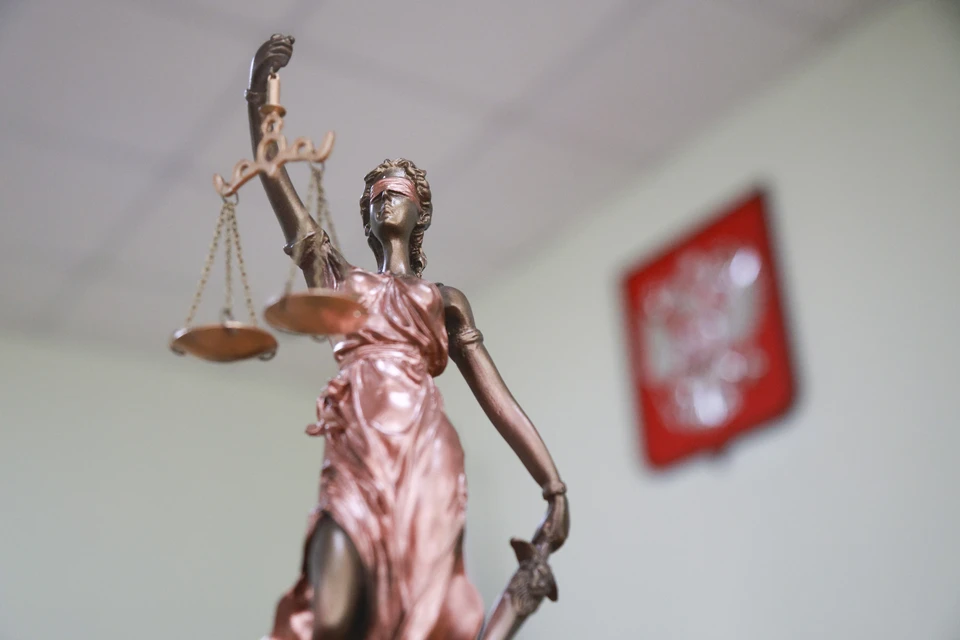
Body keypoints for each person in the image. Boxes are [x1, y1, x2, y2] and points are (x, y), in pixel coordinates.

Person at [245, 35, 569, 640]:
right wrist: (257, 100)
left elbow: (497, 400)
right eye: (376, 197)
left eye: (398, 193)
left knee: (419, 617)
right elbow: (280, 186)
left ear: (422, 212)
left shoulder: (445, 300)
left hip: (426, 452)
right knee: (331, 616)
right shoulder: (342, 281)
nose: (384, 201)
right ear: (366, 218)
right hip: (356, 451)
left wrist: (553, 486)